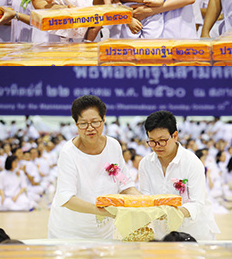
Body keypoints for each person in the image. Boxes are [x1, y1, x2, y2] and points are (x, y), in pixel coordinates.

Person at [47, 95, 138, 240]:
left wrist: (141, 201)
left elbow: (124, 182)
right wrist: (105, 212)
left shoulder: (113, 146)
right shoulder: (69, 153)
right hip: (69, 231)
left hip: (102, 231)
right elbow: (67, 198)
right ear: (76, 124)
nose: (90, 128)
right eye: (83, 123)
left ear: (103, 120)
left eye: (95, 122)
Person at [138, 111, 218, 241]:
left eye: (162, 141)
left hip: (193, 233)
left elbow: (197, 203)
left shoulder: (192, 163)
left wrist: (174, 214)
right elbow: (145, 196)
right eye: (152, 141)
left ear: (175, 136)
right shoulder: (145, 164)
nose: (157, 146)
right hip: (162, 234)